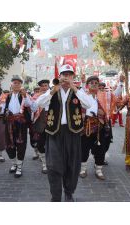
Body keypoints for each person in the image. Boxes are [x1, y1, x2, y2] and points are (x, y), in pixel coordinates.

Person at [36, 64, 92, 202]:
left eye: (69, 75)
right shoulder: (52, 90)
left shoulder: (78, 91)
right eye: (64, 75)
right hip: (54, 132)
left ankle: (69, 192)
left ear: (73, 77)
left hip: (73, 133)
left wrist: (74, 88)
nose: (66, 77)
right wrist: (52, 91)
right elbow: (39, 103)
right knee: (53, 165)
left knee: (72, 165)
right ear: (59, 76)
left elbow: (88, 104)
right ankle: (55, 196)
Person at [79, 76, 110, 180]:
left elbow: (114, 98)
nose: (94, 84)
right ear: (87, 85)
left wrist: (121, 83)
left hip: (99, 125)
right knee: (84, 148)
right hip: (86, 125)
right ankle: (83, 169)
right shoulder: (83, 95)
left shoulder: (102, 97)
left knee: (100, 149)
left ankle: (98, 169)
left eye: (96, 83)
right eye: (91, 82)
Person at [2, 75, 33, 178]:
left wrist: (25, 96)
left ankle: (19, 167)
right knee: (9, 144)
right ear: (11, 84)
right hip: (9, 123)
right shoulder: (7, 96)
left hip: (21, 124)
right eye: (15, 83)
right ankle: (14, 163)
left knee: (21, 145)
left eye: (19, 83)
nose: (17, 84)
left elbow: (30, 105)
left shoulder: (24, 95)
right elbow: (2, 108)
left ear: (21, 85)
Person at [30, 80, 50, 173]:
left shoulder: (54, 95)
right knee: (41, 144)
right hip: (40, 123)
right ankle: (44, 164)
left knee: (52, 145)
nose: (44, 87)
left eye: (46, 85)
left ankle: (52, 163)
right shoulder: (36, 97)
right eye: (42, 86)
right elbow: (33, 109)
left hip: (52, 123)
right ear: (40, 88)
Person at [29, 86, 44, 160]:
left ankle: (42, 154)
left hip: (42, 121)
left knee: (41, 138)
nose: (37, 91)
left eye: (39, 90)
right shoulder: (31, 99)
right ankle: (35, 152)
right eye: (36, 90)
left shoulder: (44, 98)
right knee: (33, 138)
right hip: (33, 121)